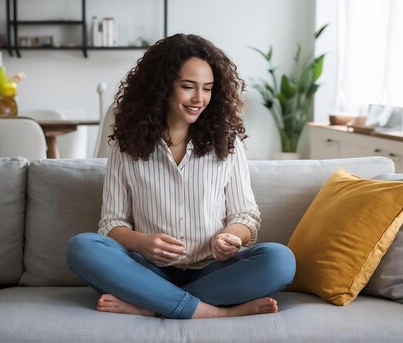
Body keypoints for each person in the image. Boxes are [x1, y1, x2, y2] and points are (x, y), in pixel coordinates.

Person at [66, 34, 295, 319]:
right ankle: (214, 312)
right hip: (148, 270)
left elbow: (246, 215)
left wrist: (230, 237)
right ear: (162, 88)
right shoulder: (127, 145)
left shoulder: (228, 142)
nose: (199, 99)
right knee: (82, 248)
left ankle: (151, 306)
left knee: (280, 260)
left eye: (208, 89)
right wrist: (142, 242)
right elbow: (111, 223)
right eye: (188, 87)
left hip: (212, 271)